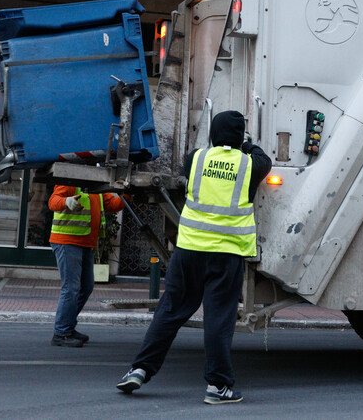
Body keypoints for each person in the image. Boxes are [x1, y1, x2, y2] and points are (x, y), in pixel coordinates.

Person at [117, 110, 272, 404]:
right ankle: (218, 386)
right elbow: (263, 158)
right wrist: (247, 144)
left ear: (213, 134)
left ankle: (139, 369)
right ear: (240, 138)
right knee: (218, 319)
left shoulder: (196, 158)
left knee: (170, 310)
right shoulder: (250, 165)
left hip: (188, 250)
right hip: (226, 255)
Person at [48, 185, 127, 347]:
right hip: (67, 241)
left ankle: (67, 326)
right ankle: (61, 333)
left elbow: (113, 204)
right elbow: (53, 202)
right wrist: (66, 201)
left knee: (86, 286)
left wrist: (129, 195)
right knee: (71, 288)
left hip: (84, 242)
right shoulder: (71, 179)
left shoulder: (97, 184)